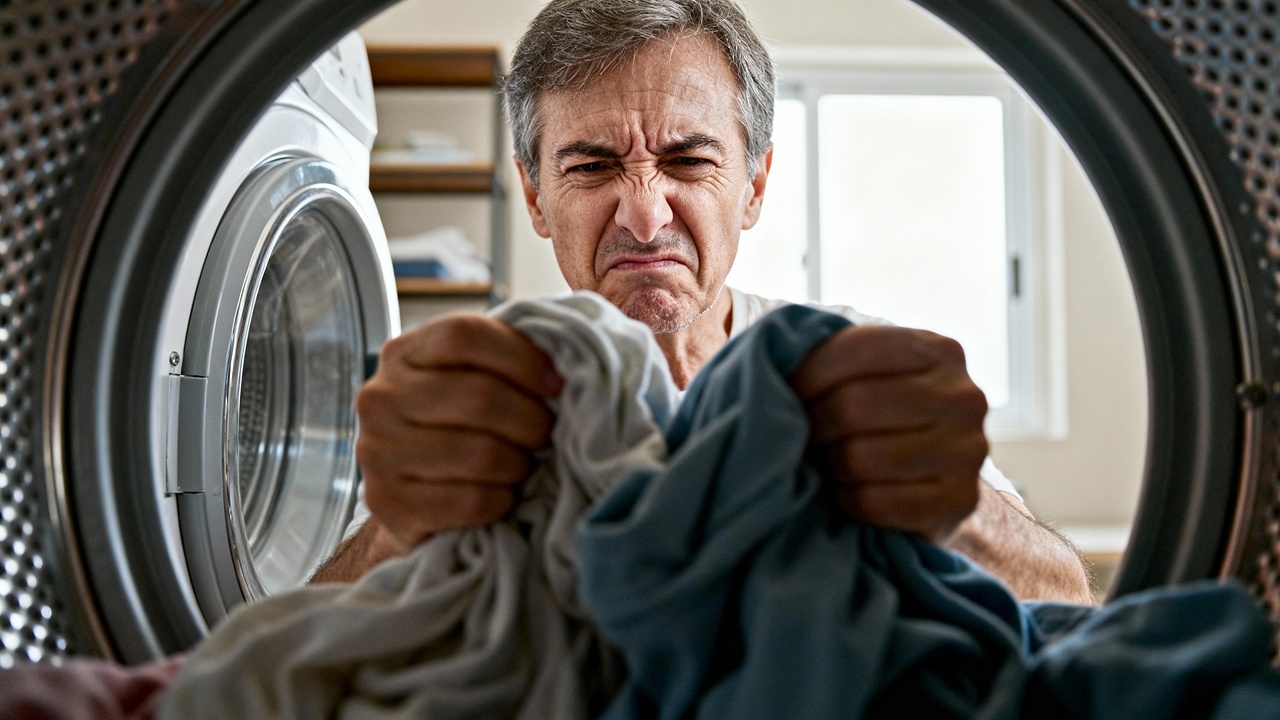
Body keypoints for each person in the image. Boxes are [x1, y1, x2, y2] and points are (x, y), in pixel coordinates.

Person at [312, 0, 1094, 603]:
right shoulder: (461, 394)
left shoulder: (853, 361)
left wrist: (960, 509)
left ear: (753, 186)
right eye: (591, 167)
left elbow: (1067, 599)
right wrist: (397, 532)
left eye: (688, 161)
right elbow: (289, 651)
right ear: (536, 195)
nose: (645, 213)